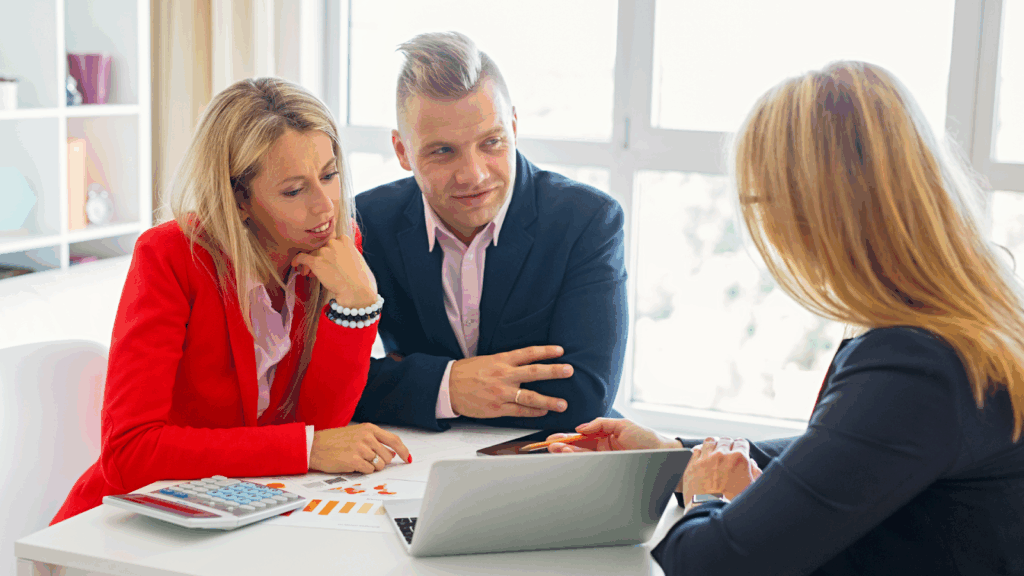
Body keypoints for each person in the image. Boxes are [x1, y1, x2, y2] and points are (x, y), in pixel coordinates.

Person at [544, 61, 1024, 575]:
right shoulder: (974, 320)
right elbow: (844, 455)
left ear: (814, 210)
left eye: (761, 204)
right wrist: (673, 456)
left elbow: (705, 564)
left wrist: (707, 493)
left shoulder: (916, 363)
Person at [52, 78, 411, 524]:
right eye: (294, 191)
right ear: (238, 197)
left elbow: (321, 425)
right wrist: (303, 448)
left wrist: (359, 304)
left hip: (249, 512)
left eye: (329, 175)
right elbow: (131, 453)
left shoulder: (335, 251)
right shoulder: (170, 257)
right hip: (133, 521)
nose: (326, 209)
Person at [352, 32, 628, 432]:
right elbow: (330, 386)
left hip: (551, 457)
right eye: (443, 151)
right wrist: (451, 386)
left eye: (492, 142)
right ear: (401, 152)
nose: (474, 175)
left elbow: (585, 392)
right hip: (419, 458)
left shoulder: (587, 220)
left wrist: (425, 383)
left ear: (514, 126)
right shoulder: (368, 222)